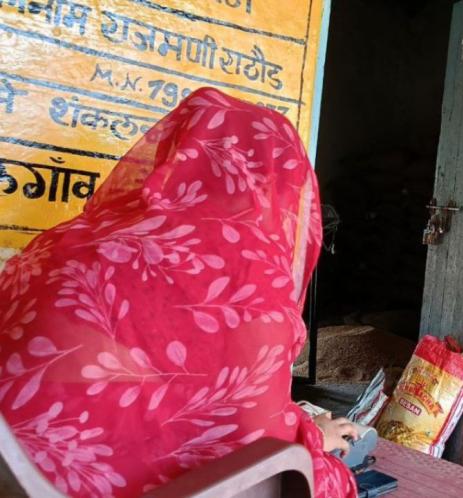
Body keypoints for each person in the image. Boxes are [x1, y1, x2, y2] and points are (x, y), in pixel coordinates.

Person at [0, 88, 358, 498]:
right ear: (277, 185)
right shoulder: (255, 285)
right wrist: (313, 441)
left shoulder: (66, 246)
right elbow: (250, 441)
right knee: (332, 478)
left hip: (18, 479)